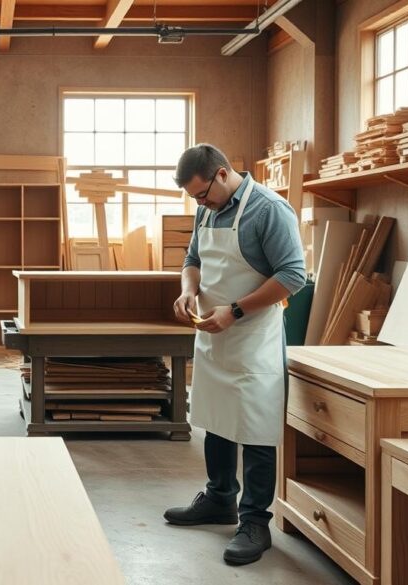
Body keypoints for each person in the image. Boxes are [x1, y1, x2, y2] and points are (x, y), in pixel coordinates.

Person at [162, 143, 306, 565]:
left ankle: (255, 522)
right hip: (213, 329)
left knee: (256, 426)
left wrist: (236, 310)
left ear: (222, 174)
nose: (199, 204)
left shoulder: (269, 210)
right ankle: (220, 497)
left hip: (251, 334)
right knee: (217, 417)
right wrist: (189, 290)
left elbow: (293, 275)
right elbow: (193, 258)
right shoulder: (207, 208)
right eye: (193, 198)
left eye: (202, 194)